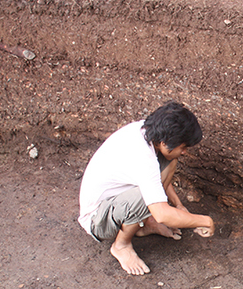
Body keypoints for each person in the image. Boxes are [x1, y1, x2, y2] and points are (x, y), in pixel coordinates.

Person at [78, 101, 215, 275]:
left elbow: (157, 180)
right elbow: (162, 213)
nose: (184, 152)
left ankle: (144, 223)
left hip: (117, 199)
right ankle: (121, 246)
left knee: (170, 161)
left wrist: (179, 205)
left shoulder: (146, 131)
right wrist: (205, 221)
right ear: (167, 141)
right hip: (97, 220)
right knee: (147, 199)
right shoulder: (143, 158)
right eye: (183, 147)